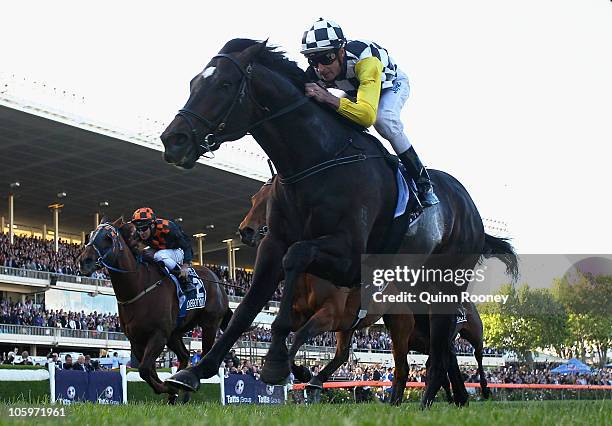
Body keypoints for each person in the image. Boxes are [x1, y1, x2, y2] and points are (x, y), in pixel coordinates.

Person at [300, 18, 439, 208]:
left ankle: (423, 181)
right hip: (358, 91)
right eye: (313, 60)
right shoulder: (317, 70)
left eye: (326, 58)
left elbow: (367, 117)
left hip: (390, 85)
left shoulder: (366, 61)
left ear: (341, 51)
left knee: (383, 119)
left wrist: (329, 98)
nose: (321, 68)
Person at [130, 207, 196, 293]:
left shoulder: (168, 228)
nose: (141, 233)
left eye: (144, 229)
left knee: (158, 255)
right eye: (138, 229)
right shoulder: (139, 233)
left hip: (179, 251)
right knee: (143, 253)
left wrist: (185, 266)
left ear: (152, 225)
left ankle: (185, 280)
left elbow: (187, 245)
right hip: (161, 251)